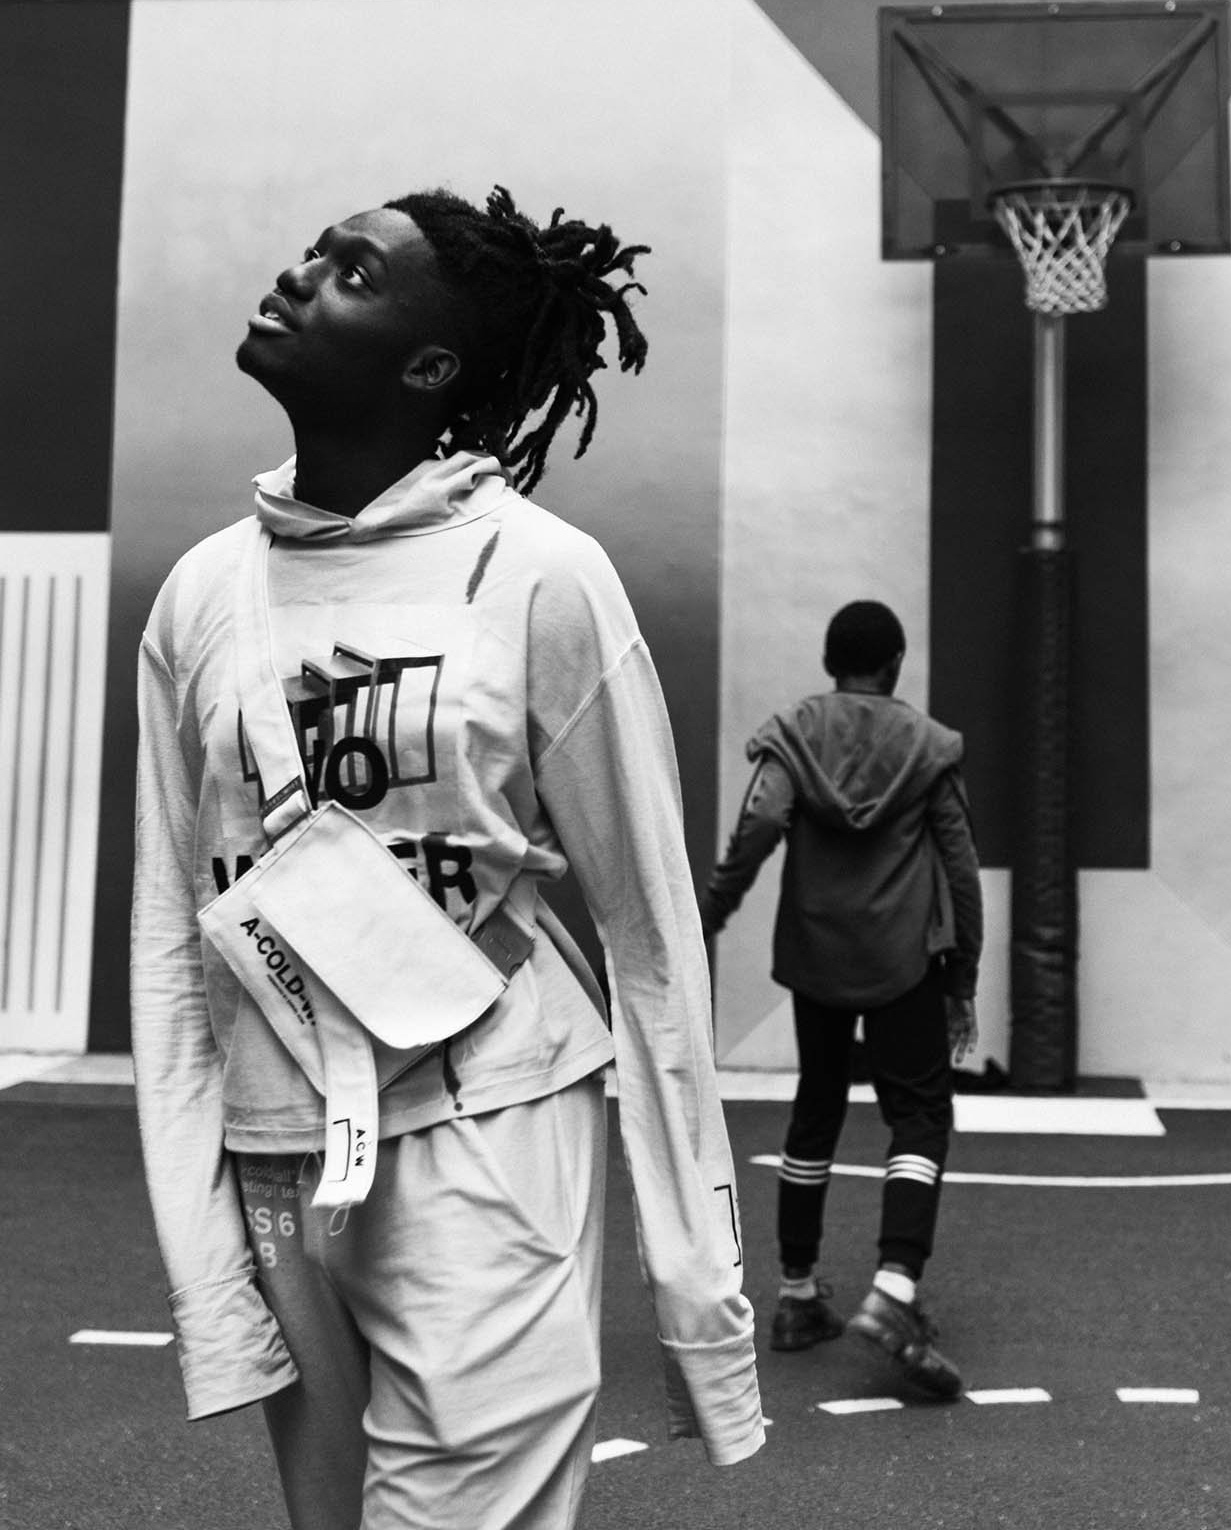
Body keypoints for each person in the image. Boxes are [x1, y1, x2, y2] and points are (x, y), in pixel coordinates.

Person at [131, 184, 764, 1530]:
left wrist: (697, 1285)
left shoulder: (540, 576)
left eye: (353, 273)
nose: (300, 275)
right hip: (279, 1150)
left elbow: (650, 932)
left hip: (491, 1120)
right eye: (315, 252)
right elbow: (174, 940)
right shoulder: (201, 595)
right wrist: (201, 1249)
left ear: (429, 368)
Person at [701, 599, 982, 1400]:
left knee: (817, 1106)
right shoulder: (928, 747)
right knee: (919, 1115)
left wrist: (714, 909)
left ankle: (796, 1296)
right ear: (895, 664)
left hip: (817, 955)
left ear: (831, 662)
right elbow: (960, 868)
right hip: (903, 961)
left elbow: (761, 822)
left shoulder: (795, 733)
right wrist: (961, 978)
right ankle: (893, 1287)